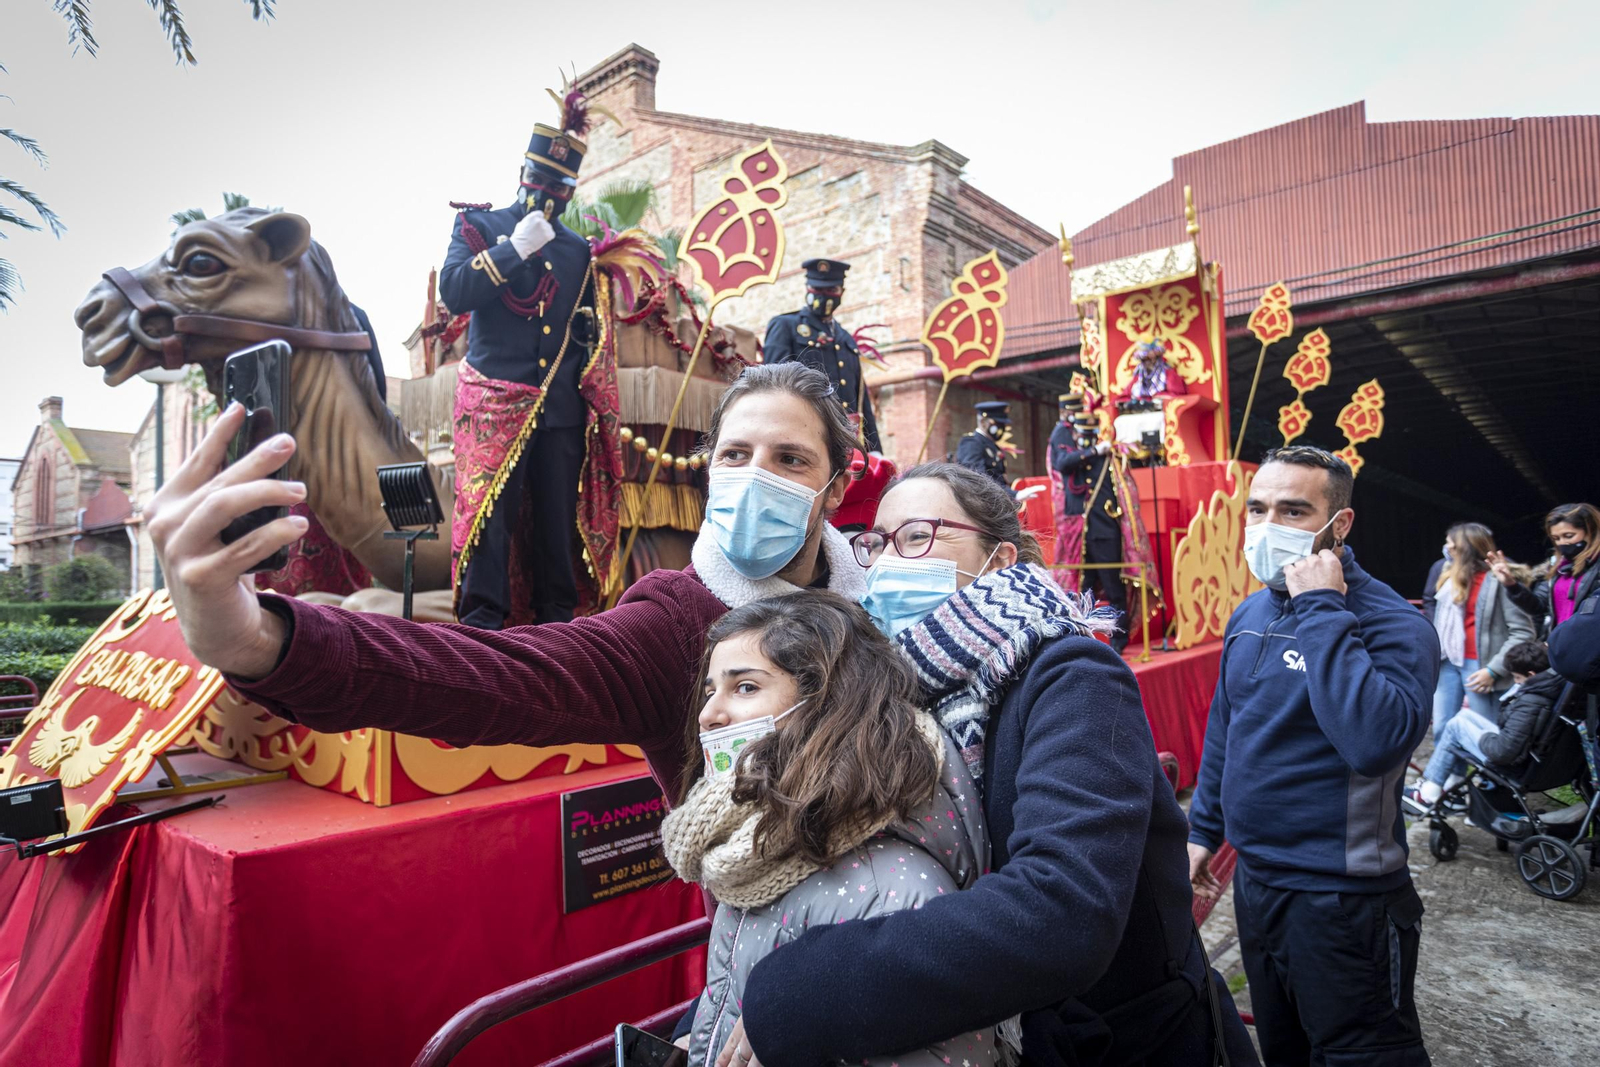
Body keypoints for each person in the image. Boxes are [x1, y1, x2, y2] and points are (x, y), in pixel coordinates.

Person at [722, 462, 1257, 1067]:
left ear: (999, 560)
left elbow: (1064, 908)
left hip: (1123, 1043)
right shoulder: (882, 695)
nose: (889, 561)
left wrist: (811, 993)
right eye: (875, 543)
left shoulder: (1072, 675)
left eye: (918, 536)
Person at [142, 362, 867, 802]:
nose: (754, 477)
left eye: (790, 460)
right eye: (735, 455)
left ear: (835, 487)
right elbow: (496, 678)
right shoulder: (675, 624)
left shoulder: (888, 604)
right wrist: (259, 641)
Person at [662, 591, 995, 1067]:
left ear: (826, 700)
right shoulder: (760, 847)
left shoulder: (888, 888)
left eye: (745, 687)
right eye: (711, 690)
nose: (708, 715)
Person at [1187, 445, 1440, 1066]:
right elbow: (1228, 728)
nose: (1268, 525)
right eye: (1258, 509)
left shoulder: (1393, 626)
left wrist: (1321, 607)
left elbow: (1374, 742)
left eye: (1293, 511)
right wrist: (1203, 831)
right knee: (1284, 1049)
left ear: (1339, 523)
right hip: (1256, 883)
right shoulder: (1250, 614)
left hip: (1342, 899)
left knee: (1361, 1054)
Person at [440, 83, 604, 629]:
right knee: (491, 522)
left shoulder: (578, 250)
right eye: (540, 180)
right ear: (522, 174)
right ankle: (483, 626)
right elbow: (455, 293)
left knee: (557, 526)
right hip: (495, 404)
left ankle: (558, 630)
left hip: (558, 409)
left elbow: (585, 328)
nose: (548, 195)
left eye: (560, 187)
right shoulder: (480, 226)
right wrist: (514, 250)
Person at [1404, 641, 1566, 812]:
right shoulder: (1550, 687)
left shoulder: (1531, 701)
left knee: (1455, 726)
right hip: (1522, 751)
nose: (1516, 682)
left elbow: (1503, 752)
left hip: (1511, 762)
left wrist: (1484, 737)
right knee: (1464, 716)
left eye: (1517, 678)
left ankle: (1429, 793)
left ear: (1531, 675)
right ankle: (1448, 784)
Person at [1428, 522, 1535, 743]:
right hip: (1447, 660)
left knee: (1483, 731)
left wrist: (1494, 670)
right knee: (1441, 727)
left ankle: (1485, 769)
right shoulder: (1447, 576)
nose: (1447, 549)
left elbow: (1523, 632)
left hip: (1480, 666)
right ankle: (1447, 767)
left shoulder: (1499, 580)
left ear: (1464, 548)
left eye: (1451, 544)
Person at [762, 258, 881, 453]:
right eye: (817, 289)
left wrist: (874, 448)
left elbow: (861, 398)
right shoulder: (786, 326)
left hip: (846, 442)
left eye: (831, 290)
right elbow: (773, 386)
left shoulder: (846, 339)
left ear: (841, 292)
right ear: (807, 288)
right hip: (803, 433)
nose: (824, 296)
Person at [1051, 401, 1130, 653]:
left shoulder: (1106, 461)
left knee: (1113, 587)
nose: (1083, 440)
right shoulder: (1075, 461)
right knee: (1081, 591)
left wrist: (1098, 451)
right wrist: (1092, 450)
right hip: (1079, 536)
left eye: (1088, 436)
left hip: (1104, 532)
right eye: (1080, 436)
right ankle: (1083, 639)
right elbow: (1062, 463)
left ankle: (1119, 639)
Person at [1489, 502, 1600, 636]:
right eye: (1556, 538)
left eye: (1569, 536)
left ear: (1591, 532)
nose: (1562, 543)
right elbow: (1538, 607)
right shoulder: (1558, 568)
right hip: (1560, 643)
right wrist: (1511, 585)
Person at [953, 401, 1011, 489]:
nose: (1001, 427)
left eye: (1002, 424)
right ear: (983, 421)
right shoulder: (972, 443)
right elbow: (977, 479)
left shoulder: (993, 446)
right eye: (996, 423)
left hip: (997, 494)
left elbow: (999, 478)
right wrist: (1014, 494)